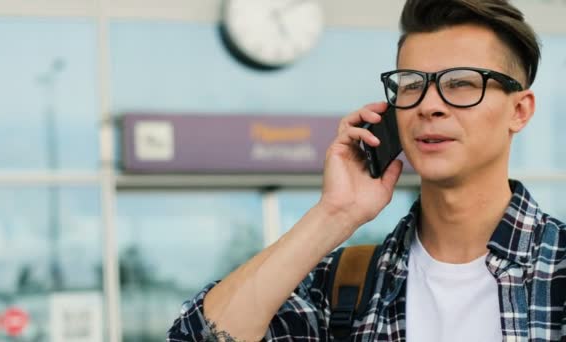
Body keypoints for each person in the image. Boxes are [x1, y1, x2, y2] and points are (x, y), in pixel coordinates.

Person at [167, 0, 566, 340]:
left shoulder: (557, 270)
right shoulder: (348, 285)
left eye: (461, 83)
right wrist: (335, 213)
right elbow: (197, 335)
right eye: (411, 84)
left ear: (519, 110)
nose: (429, 105)